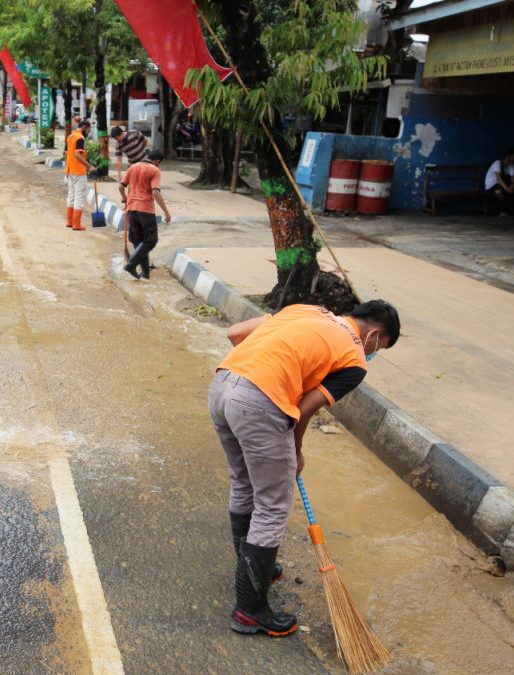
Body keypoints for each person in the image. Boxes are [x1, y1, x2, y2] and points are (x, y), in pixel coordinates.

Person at [208, 300, 400, 637]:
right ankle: (250, 610)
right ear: (373, 334)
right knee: (272, 505)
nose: (373, 353)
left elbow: (235, 332)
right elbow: (306, 406)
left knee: (243, 484)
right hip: (257, 401)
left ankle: (253, 572)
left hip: (223, 385)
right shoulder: (355, 359)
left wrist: (261, 368)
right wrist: (294, 451)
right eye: (379, 347)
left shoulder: (306, 311)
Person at [119, 151, 171, 280]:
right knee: (150, 241)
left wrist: (125, 197)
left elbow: (121, 186)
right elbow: (155, 192)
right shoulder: (154, 170)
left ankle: (145, 273)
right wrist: (166, 211)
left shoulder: (133, 167)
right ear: (157, 161)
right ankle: (131, 265)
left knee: (139, 242)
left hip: (131, 209)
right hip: (145, 210)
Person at [65, 119, 96, 230]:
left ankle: (70, 222)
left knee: (71, 196)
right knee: (79, 197)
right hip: (79, 172)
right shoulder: (80, 138)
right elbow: (78, 155)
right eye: (88, 129)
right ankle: (76, 224)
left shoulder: (70, 137)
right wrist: (89, 166)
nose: (88, 132)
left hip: (70, 171)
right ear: (84, 127)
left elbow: (66, 153)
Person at [485, 149, 514, 217]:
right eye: (513, 157)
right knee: (499, 191)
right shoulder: (497, 163)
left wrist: (512, 186)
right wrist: (506, 189)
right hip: (491, 186)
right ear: (508, 157)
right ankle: (500, 211)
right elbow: (498, 178)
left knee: (512, 191)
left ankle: (504, 211)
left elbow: (512, 178)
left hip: (502, 186)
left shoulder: (511, 165)